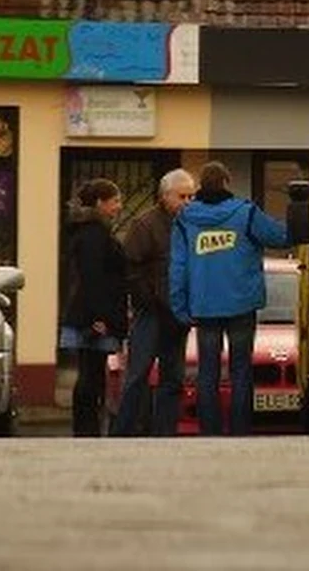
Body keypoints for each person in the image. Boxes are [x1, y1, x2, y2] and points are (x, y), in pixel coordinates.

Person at [169, 161, 289, 435]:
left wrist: (179, 306)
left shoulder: (185, 220)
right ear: (226, 183)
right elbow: (280, 237)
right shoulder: (245, 214)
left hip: (204, 306)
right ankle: (240, 430)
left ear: (201, 185)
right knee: (241, 371)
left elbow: (177, 267)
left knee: (207, 373)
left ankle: (209, 432)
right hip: (241, 305)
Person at [110, 168, 197, 437]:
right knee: (137, 376)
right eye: (182, 196)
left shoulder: (192, 226)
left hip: (178, 314)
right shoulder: (146, 225)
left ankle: (165, 434)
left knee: (173, 379)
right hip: (151, 313)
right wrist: (147, 301)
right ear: (165, 196)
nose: (188, 202)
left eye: (191, 196)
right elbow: (129, 268)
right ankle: (123, 433)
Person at [59, 178, 128, 437]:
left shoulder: (88, 231)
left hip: (87, 315)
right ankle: (87, 432)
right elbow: (92, 278)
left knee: (91, 374)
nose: (119, 206)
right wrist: (98, 317)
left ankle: (86, 430)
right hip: (93, 318)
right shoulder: (94, 235)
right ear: (100, 203)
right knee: (91, 376)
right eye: (115, 201)